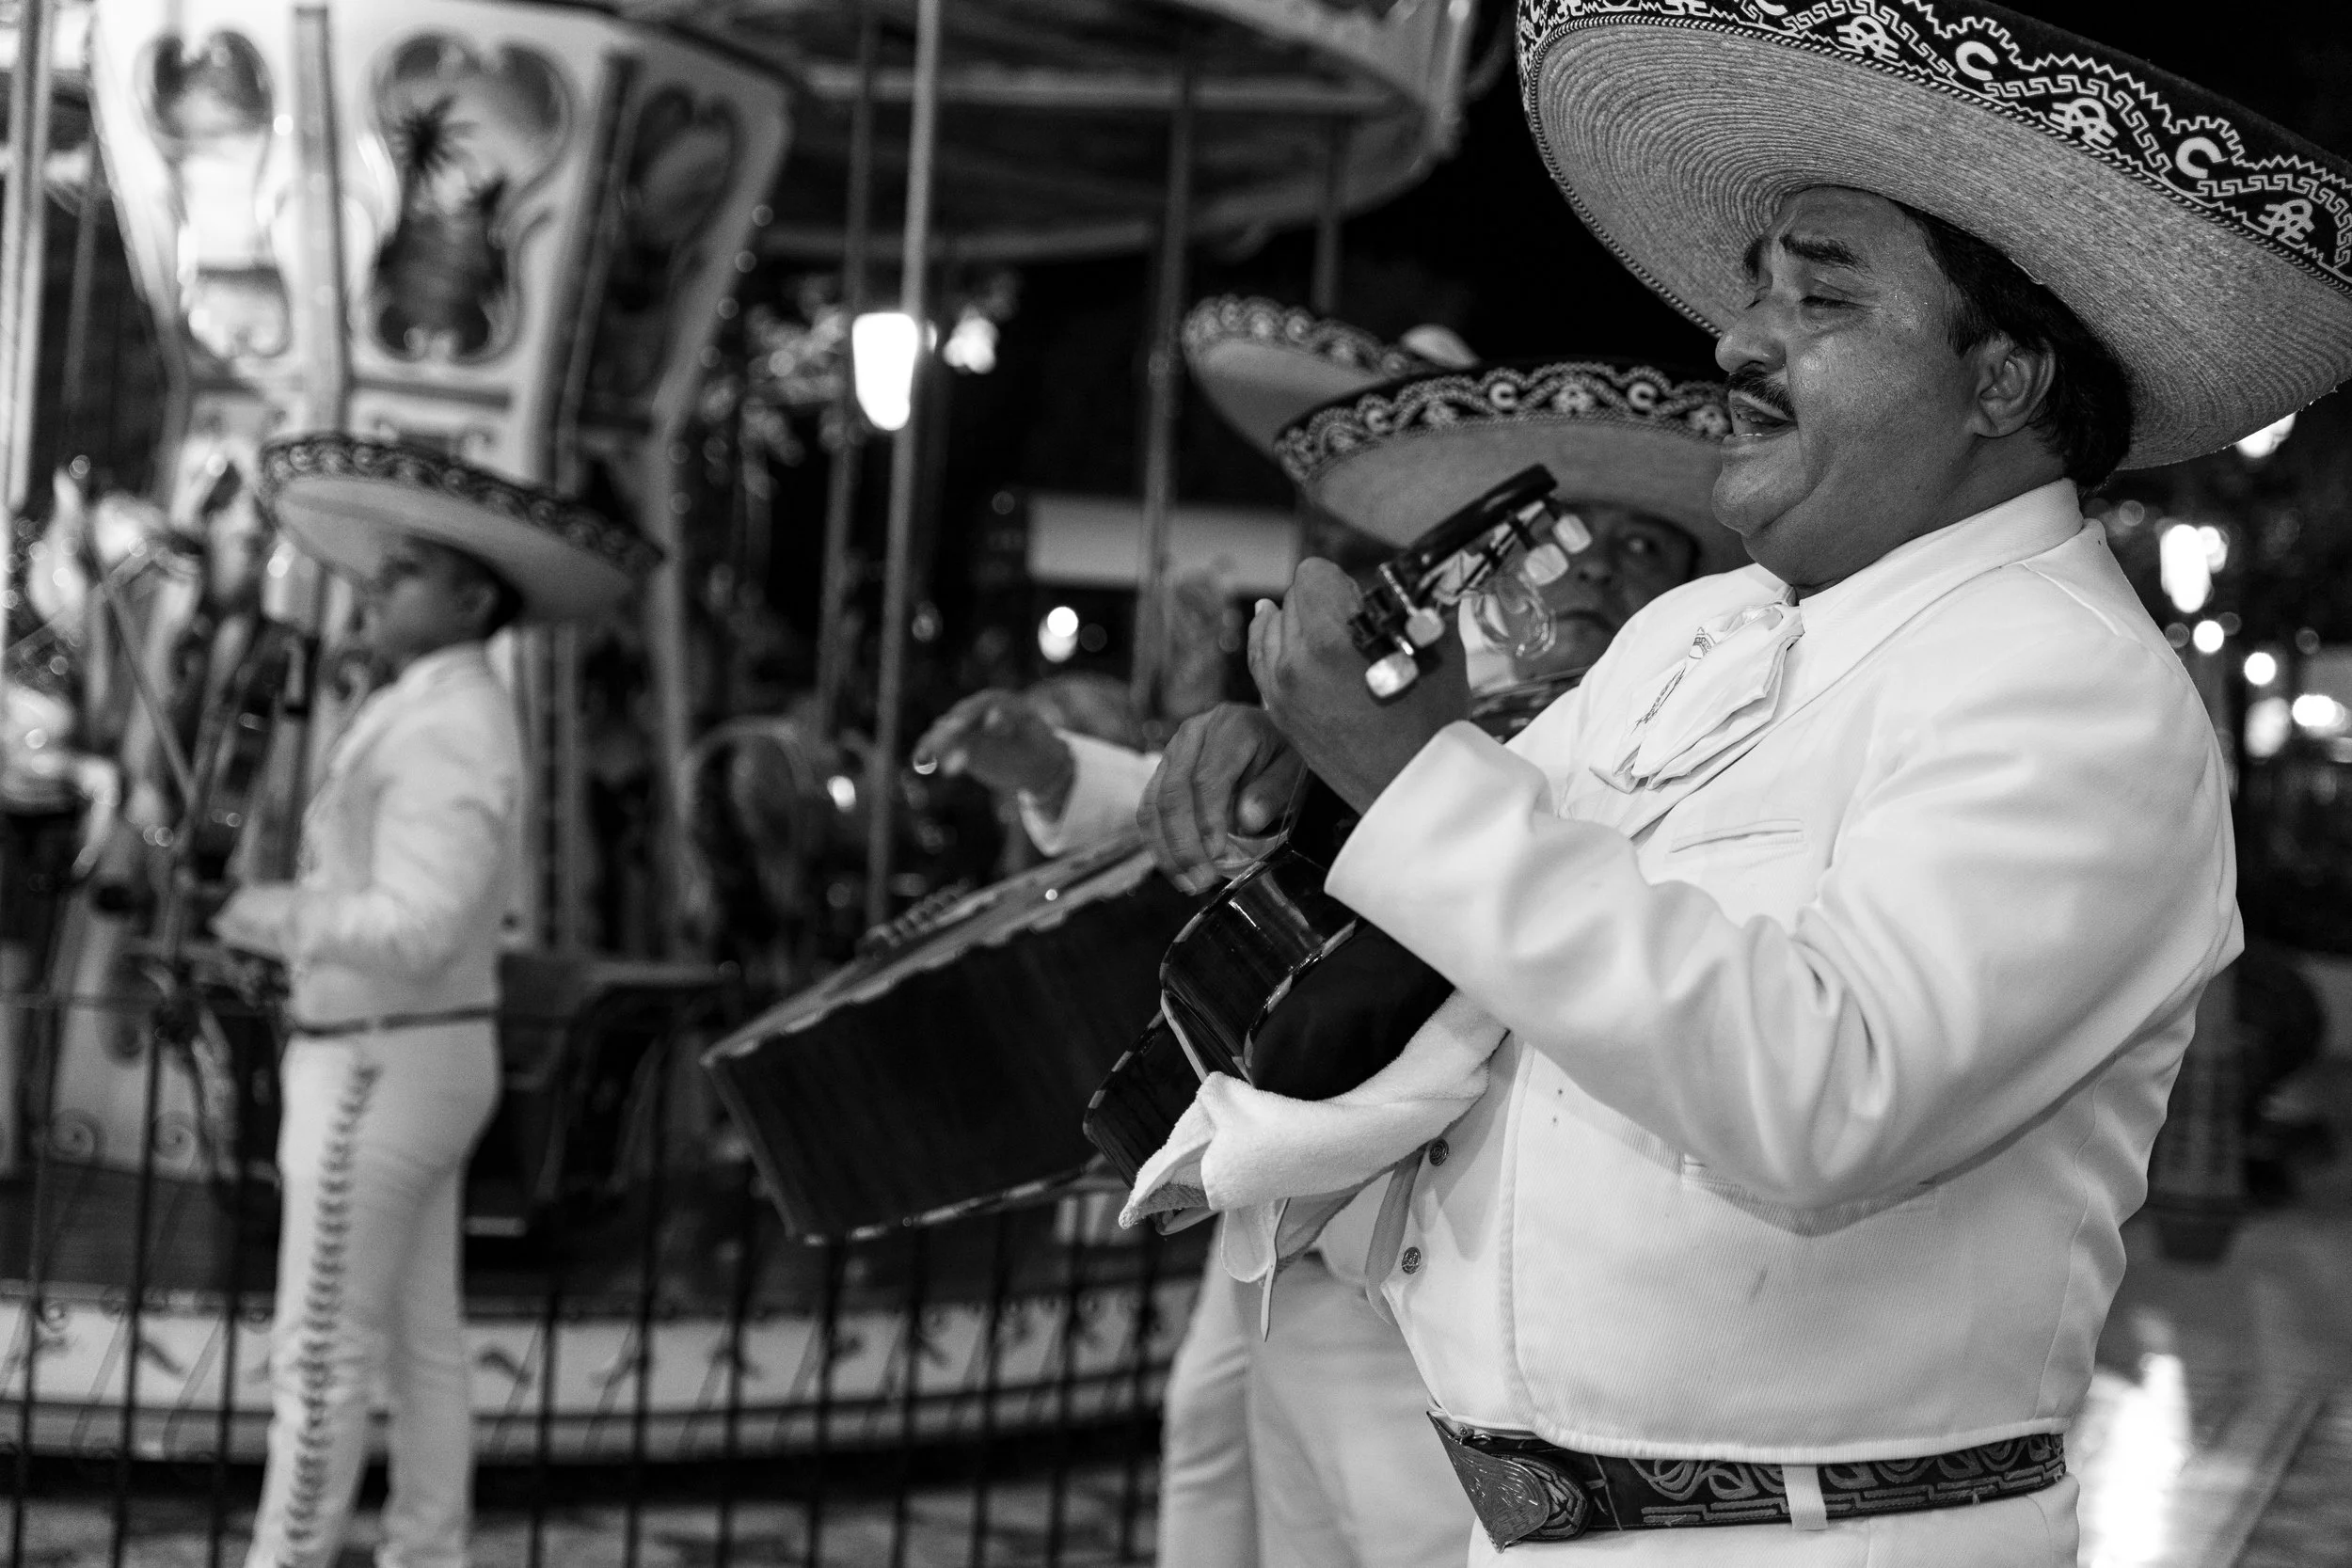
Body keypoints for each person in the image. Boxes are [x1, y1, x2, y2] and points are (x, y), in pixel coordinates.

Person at [1127, 1, 2352, 1560]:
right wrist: (1311, 772)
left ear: (2005, 382)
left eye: (1821, 298)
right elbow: (1482, 926)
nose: (1740, 340)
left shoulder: (2081, 691)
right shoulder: (1699, 631)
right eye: (1758, 289)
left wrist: (1416, 777)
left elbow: (1828, 1093)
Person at [917, 304, 1739, 1568]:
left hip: (1450, 1272)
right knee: (1227, 1460)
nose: (1597, 573)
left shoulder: (1667, 759)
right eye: (1569, 538)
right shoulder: (1412, 717)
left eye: (1645, 546)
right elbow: (1231, 833)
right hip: (1295, 1242)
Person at [214, 436, 658, 1568]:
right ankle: (427, 1548)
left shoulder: (452, 722)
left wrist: (267, 915)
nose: (377, 584)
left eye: (404, 571)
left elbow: (418, 929)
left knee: (321, 1351)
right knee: (418, 1345)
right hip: (403, 1053)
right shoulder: (435, 706)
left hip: (380, 1061)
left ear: (470, 597)